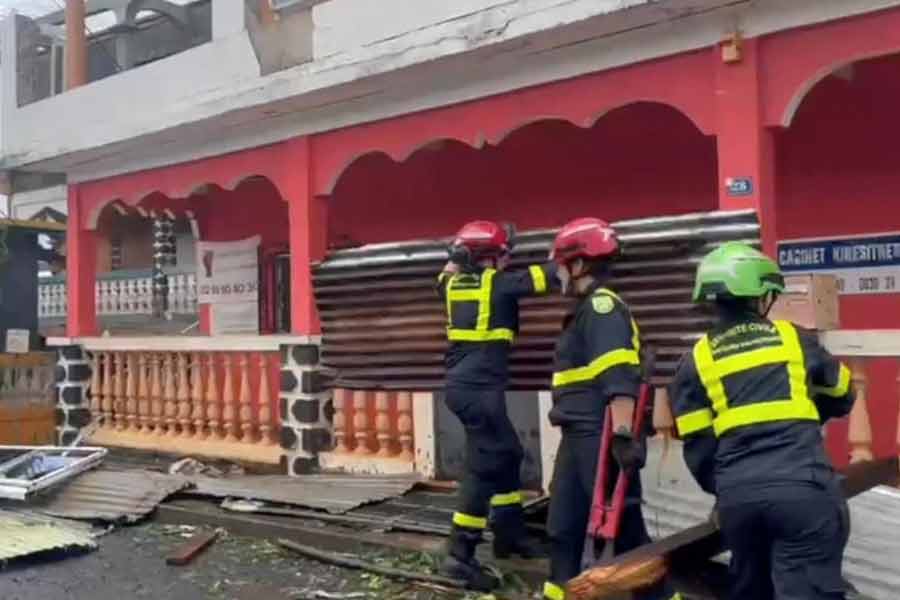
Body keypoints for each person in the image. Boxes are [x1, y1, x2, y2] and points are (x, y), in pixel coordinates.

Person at [669, 242, 855, 600]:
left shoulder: (694, 362)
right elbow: (844, 393)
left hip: (739, 502)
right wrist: (808, 414)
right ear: (761, 297)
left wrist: (728, 488)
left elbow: (699, 449)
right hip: (803, 492)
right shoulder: (793, 340)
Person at [542, 218, 676, 600]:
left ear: (580, 265)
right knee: (563, 526)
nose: (558, 273)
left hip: (598, 437)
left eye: (562, 264)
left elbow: (617, 377)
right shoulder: (588, 309)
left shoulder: (601, 308)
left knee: (628, 533)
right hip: (577, 433)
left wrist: (621, 435)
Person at [436, 220, 558, 590]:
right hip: (478, 390)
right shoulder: (499, 284)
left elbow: (447, 270)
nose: (508, 260)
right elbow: (548, 276)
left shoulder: (449, 285)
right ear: (491, 258)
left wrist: (460, 255)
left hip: (469, 388)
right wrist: (561, 251)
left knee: (507, 452)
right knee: (485, 464)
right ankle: (460, 554)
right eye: (504, 254)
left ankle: (509, 533)